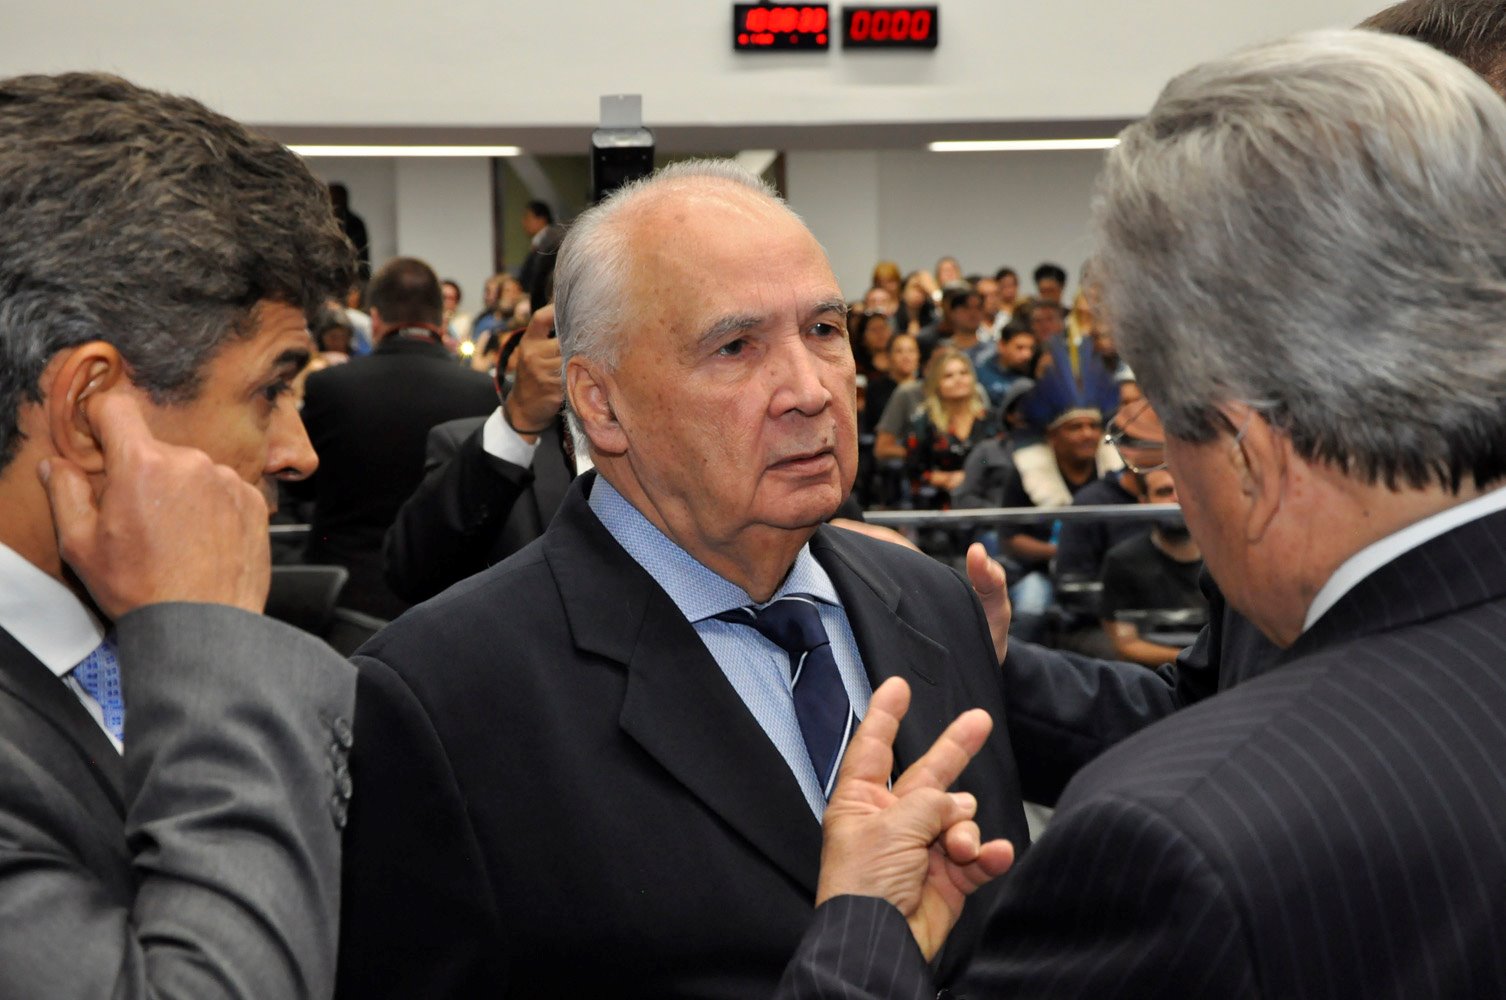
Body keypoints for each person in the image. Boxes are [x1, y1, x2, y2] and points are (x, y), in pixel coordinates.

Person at [780, 28, 1506, 997]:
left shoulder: (1164, 850)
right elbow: (1211, 714)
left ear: (1244, 450)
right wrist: (968, 657)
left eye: (1161, 430)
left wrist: (862, 928)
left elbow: (1238, 756)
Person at [334, 160, 1030, 999]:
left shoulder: (934, 603)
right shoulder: (444, 696)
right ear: (601, 404)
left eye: (824, 329)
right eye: (735, 347)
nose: (810, 391)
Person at [0, 71, 356, 998]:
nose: (299, 451)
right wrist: (208, 636)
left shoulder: (119, 638)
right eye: (270, 388)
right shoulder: (195, 641)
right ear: (90, 413)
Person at [291, 256, 497, 619]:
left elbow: (301, 484)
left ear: (374, 319)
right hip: (452, 599)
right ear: (442, 319)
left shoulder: (331, 387)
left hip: (347, 595)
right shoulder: (483, 391)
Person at [1099, 467, 1207, 666]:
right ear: (1144, 504)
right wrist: (1194, 660)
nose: (1177, 499)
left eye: (1185, 490)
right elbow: (1126, 645)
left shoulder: (1224, 558)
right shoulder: (1123, 561)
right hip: (1156, 675)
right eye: (1164, 492)